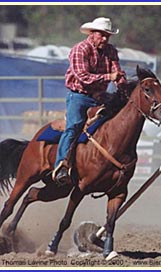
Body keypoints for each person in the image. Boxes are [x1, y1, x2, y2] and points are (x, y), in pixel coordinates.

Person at [53, 17, 127, 184]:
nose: (105, 39)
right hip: (79, 96)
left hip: (100, 96)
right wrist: (110, 77)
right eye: (101, 35)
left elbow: (118, 73)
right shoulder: (80, 49)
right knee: (73, 126)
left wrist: (123, 86)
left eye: (107, 35)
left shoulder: (111, 51)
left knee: (116, 124)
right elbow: (83, 77)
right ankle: (61, 166)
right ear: (92, 34)